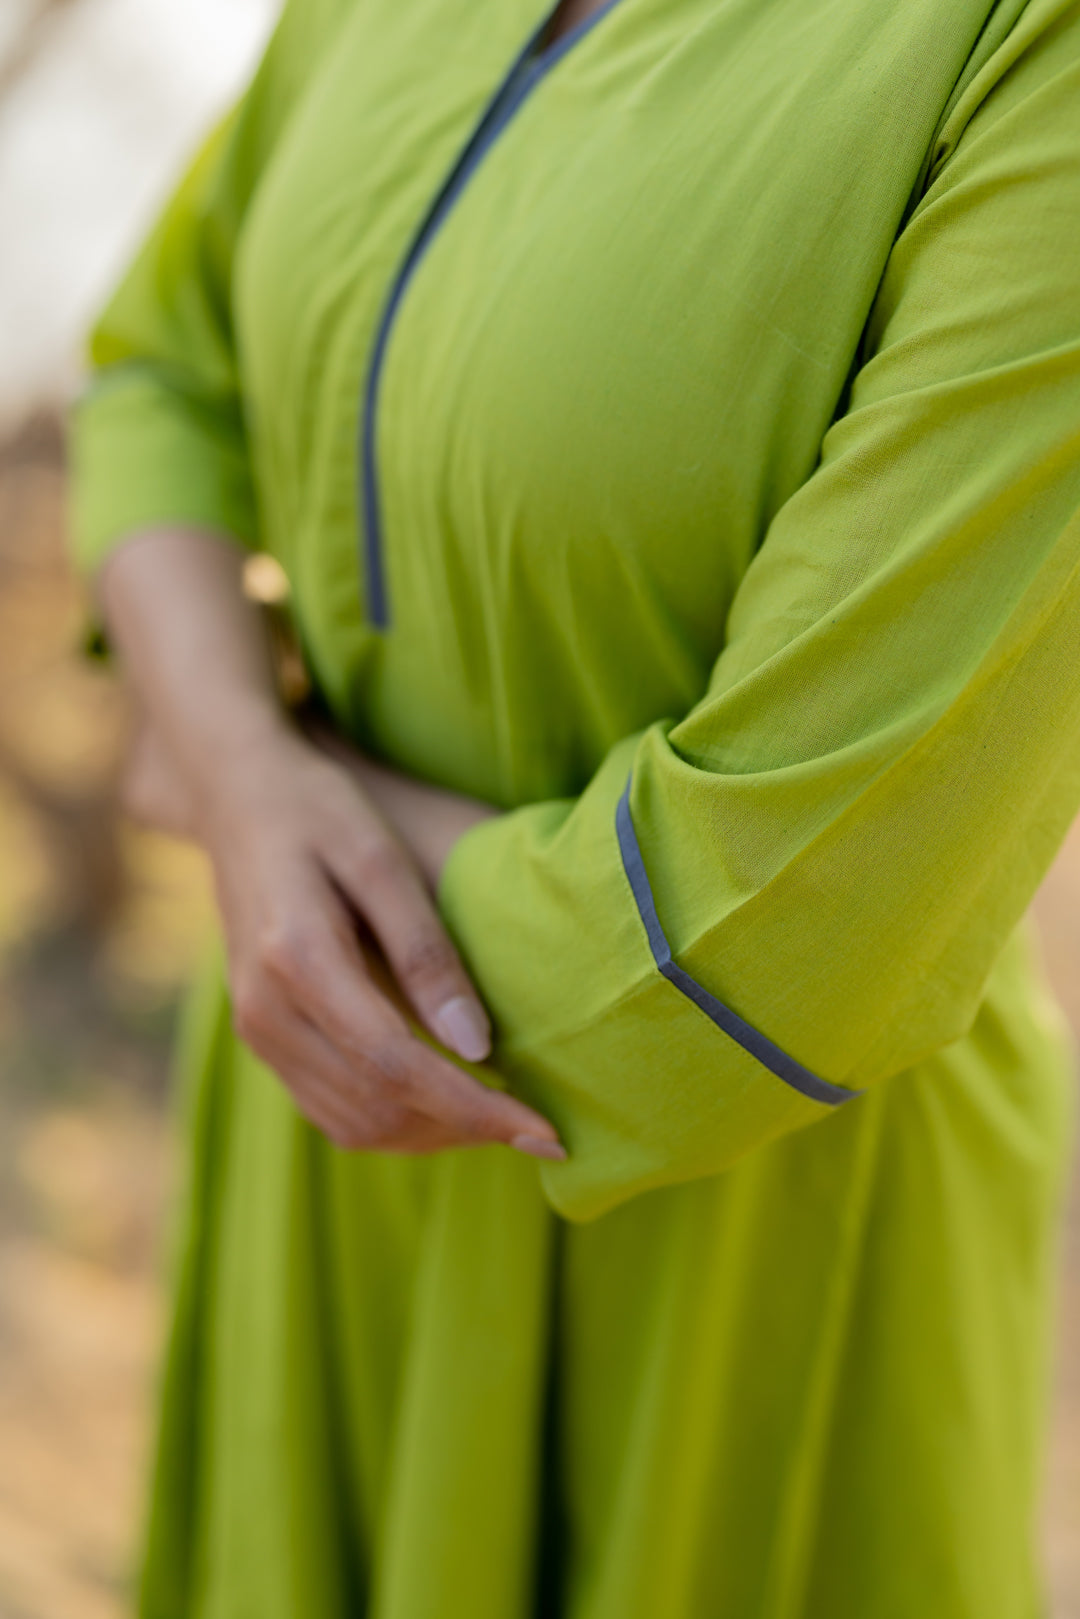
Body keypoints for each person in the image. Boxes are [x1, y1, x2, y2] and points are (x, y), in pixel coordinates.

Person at [70, 0, 1080, 1613]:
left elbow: (782, 929)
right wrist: (252, 782)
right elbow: (162, 373)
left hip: (741, 1244)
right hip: (315, 1112)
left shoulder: (1029, 55)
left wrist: (247, 791)